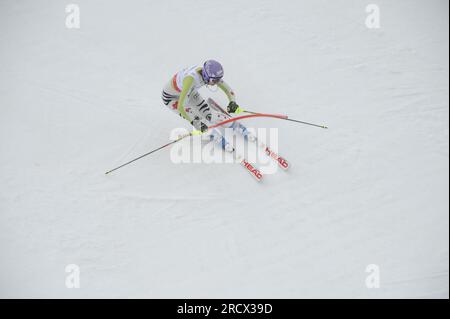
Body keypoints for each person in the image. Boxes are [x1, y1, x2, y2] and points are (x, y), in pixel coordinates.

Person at [161, 60, 252, 152]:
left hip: (189, 91)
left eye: (218, 79)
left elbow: (228, 89)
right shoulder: (191, 80)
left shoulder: (211, 75)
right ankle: (215, 136)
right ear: (205, 75)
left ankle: (235, 125)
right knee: (199, 121)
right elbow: (181, 106)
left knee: (209, 114)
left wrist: (232, 102)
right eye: (214, 80)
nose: (216, 82)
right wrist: (195, 122)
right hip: (171, 98)